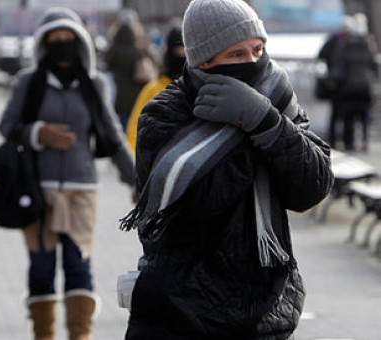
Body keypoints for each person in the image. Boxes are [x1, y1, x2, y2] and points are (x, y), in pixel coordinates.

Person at [120, 0, 334, 339]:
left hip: (265, 309)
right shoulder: (164, 114)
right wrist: (252, 130)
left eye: (258, 50)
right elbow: (198, 204)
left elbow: (313, 186)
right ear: (205, 59)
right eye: (237, 55)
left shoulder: (276, 101)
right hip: (179, 312)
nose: (253, 62)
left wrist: (266, 122)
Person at [0, 7, 135, 340]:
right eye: (54, 38)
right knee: (42, 268)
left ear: (80, 42)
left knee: (78, 267)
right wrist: (38, 133)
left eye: (68, 37)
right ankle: (43, 334)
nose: (62, 43)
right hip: (37, 189)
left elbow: (113, 135)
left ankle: (79, 335)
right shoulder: (28, 83)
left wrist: (136, 181)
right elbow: (7, 126)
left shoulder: (95, 84)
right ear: (43, 43)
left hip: (81, 190)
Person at [318, 15, 378, 151]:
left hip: (345, 87)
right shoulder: (367, 43)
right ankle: (364, 142)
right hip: (365, 86)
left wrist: (332, 79)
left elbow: (332, 61)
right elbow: (373, 65)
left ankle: (344, 143)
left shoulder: (341, 43)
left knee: (345, 116)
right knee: (363, 116)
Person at [126, 25, 185, 153]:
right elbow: (135, 127)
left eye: (184, 51)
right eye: (177, 51)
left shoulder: (201, 88)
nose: (181, 56)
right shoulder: (152, 90)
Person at [105, 9, 156, 131]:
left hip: (119, 96)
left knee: (122, 126)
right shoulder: (140, 49)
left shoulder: (112, 50)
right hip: (138, 93)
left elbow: (106, 67)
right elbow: (155, 63)